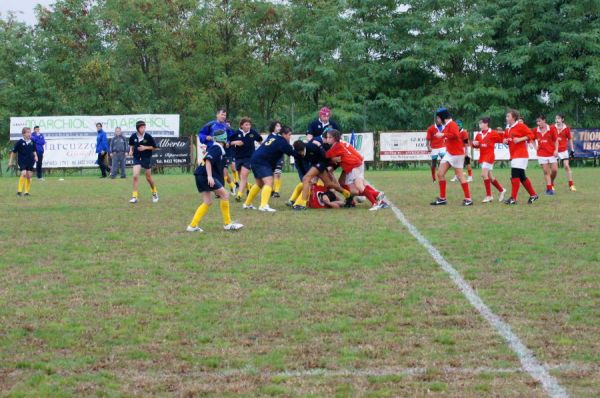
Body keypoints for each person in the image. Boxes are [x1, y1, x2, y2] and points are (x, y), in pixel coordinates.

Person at [186, 130, 244, 232]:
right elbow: (208, 160)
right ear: (223, 138)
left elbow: (217, 169)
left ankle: (192, 226)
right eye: (226, 136)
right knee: (225, 195)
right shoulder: (217, 147)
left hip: (200, 175)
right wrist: (209, 176)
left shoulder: (217, 148)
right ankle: (227, 224)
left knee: (207, 201)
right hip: (204, 175)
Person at [324, 129, 386, 211]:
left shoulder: (336, 146)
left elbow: (325, 156)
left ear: (335, 138)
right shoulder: (337, 145)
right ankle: (376, 194)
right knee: (353, 190)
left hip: (354, 166)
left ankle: (375, 203)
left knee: (359, 186)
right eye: (327, 137)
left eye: (329, 137)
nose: (327, 139)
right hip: (353, 166)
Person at [243, 122, 297, 212]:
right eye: (289, 135)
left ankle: (247, 204)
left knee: (259, 184)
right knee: (269, 182)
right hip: (262, 161)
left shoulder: (274, 137)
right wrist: (303, 153)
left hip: (255, 158)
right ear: (283, 134)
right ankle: (263, 206)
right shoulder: (282, 141)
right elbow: (292, 152)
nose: (290, 137)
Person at [289, 139, 351, 210]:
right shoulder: (297, 153)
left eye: (302, 151)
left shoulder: (311, 147)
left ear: (304, 147)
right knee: (329, 184)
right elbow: (300, 165)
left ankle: (302, 204)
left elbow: (324, 155)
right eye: (300, 152)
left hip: (321, 163)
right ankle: (348, 194)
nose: (301, 153)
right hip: (315, 165)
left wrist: (332, 159)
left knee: (306, 178)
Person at [430, 109, 473, 206]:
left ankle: (468, 199)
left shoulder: (452, 124)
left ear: (442, 117)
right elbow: (447, 136)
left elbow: (455, 135)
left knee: (460, 176)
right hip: (449, 153)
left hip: (457, 154)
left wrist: (443, 134)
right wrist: (441, 135)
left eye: (438, 118)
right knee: (440, 174)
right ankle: (442, 199)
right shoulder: (447, 125)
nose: (437, 119)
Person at [503, 109, 538, 205]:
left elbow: (531, 134)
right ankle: (533, 195)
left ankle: (513, 199)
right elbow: (506, 139)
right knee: (522, 177)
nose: (506, 118)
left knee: (514, 175)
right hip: (514, 155)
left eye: (508, 116)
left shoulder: (520, 126)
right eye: (506, 116)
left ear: (513, 117)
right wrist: (505, 141)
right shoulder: (508, 128)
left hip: (521, 154)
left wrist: (520, 139)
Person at [472, 117, 506, 203]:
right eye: (479, 123)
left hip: (489, 156)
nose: (479, 124)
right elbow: (476, 145)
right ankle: (501, 190)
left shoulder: (493, 133)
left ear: (486, 123)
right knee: (490, 177)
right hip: (482, 157)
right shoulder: (479, 134)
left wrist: (502, 134)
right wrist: (474, 144)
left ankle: (489, 196)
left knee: (484, 175)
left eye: (481, 123)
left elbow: (501, 139)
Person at [229, 117, 263, 202]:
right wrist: (235, 142)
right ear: (241, 125)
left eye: (249, 124)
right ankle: (249, 187)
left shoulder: (253, 133)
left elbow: (260, 141)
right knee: (242, 177)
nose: (248, 126)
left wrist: (264, 150)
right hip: (238, 158)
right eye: (246, 124)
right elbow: (228, 143)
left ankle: (239, 195)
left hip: (250, 158)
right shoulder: (236, 133)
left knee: (243, 176)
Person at [128, 120, 159, 203]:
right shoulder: (133, 136)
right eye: (141, 127)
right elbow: (131, 144)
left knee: (148, 177)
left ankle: (154, 192)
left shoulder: (148, 136)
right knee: (135, 176)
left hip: (146, 158)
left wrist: (145, 148)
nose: (143, 129)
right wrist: (130, 150)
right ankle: (134, 197)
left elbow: (155, 147)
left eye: (144, 127)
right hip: (137, 158)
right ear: (137, 128)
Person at [532, 114, 559, 195]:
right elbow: (531, 139)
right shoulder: (535, 130)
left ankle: (551, 182)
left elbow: (556, 140)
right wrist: (535, 146)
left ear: (544, 120)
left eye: (539, 121)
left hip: (552, 153)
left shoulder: (551, 128)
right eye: (537, 121)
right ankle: (549, 189)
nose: (538, 123)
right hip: (541, 154)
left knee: (554, 170)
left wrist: (556, 150)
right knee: (546, 171)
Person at [8, 127, 38, 196]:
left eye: (30, 132)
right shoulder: (20, 142)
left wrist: (36, 156)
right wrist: (10, 161)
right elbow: (13, 152)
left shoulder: (32, 142)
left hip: (30, 161)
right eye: (27, 132)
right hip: (22, 161)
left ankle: (26, 192)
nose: (29, 134)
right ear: (23, 134)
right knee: (24, 173)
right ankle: (19, 191)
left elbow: (34, 150)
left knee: (29, 176)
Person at [554, 114, 576, 191]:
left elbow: (569, 139)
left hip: (563, 150)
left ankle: (571, 185)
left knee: (566, 166)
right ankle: (551, 185)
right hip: (555, 151)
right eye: (556, 118)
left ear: (562, 119)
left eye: (559, 118)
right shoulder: (552, 127)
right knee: (554, 170)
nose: (557, 120)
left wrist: (572, 150)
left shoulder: (566, 128)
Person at [426, 117, 445, 183]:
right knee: (434, 163)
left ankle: (441, 175)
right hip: (434, 148)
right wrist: (428, 146)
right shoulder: (430, 128)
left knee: (444, 160)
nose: (440, 120)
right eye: (439, 118)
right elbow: (428, 139)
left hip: (442, 147)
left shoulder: (444, 127)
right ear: (436, 120)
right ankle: (434, 178)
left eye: (441, 118)